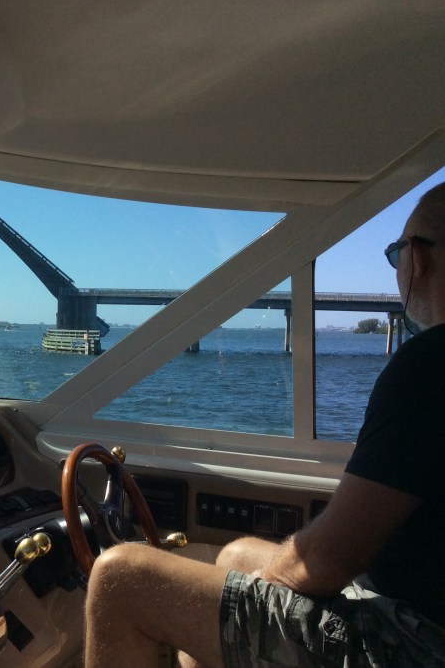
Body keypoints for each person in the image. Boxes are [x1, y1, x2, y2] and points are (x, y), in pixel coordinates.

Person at [84, 181, 445, 667]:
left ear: (417, 259)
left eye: (394, 253)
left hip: (418, 642)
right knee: (235, 555)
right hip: (416, 612)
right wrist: (244, 596)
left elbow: (334, 557)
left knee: (119, 577)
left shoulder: (429, 364)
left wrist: (255, 598)